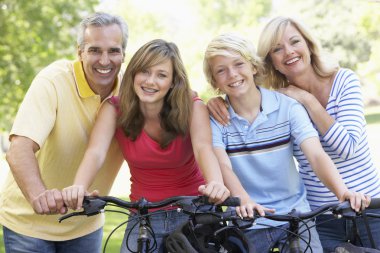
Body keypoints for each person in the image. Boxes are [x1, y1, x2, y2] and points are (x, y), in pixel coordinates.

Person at [208, 16, 380, 252]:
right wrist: (211, 103)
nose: (288, 52)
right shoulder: (280, 101)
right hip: (320, 214)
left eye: (294, 42)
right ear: (271, 62)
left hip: (366, 203)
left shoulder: (340, 82)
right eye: (277, 49)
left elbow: (345, 147)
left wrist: (307, 100)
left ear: (309, 44)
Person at [62, 39, 230, 253]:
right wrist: (79, 186)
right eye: (145, 72)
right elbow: (96, 152)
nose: (151, 81)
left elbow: (203, 148)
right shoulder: (113, 109)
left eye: (161, 75)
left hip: (194, 212)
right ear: (133, 73)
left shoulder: (192, 107)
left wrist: (215, 182)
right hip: (144, 215)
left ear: (173, 81)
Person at [0, 12, 129, 253]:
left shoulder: (131, 92)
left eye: (113, 51)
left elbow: (174, 103)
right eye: (94, 50)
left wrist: (210, 104)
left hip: (86, 224)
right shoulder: (54, 80)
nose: (104, 60)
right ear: (79, 52)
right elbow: (19, 149)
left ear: (123, 54)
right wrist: (39, 196)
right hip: (28, 224)